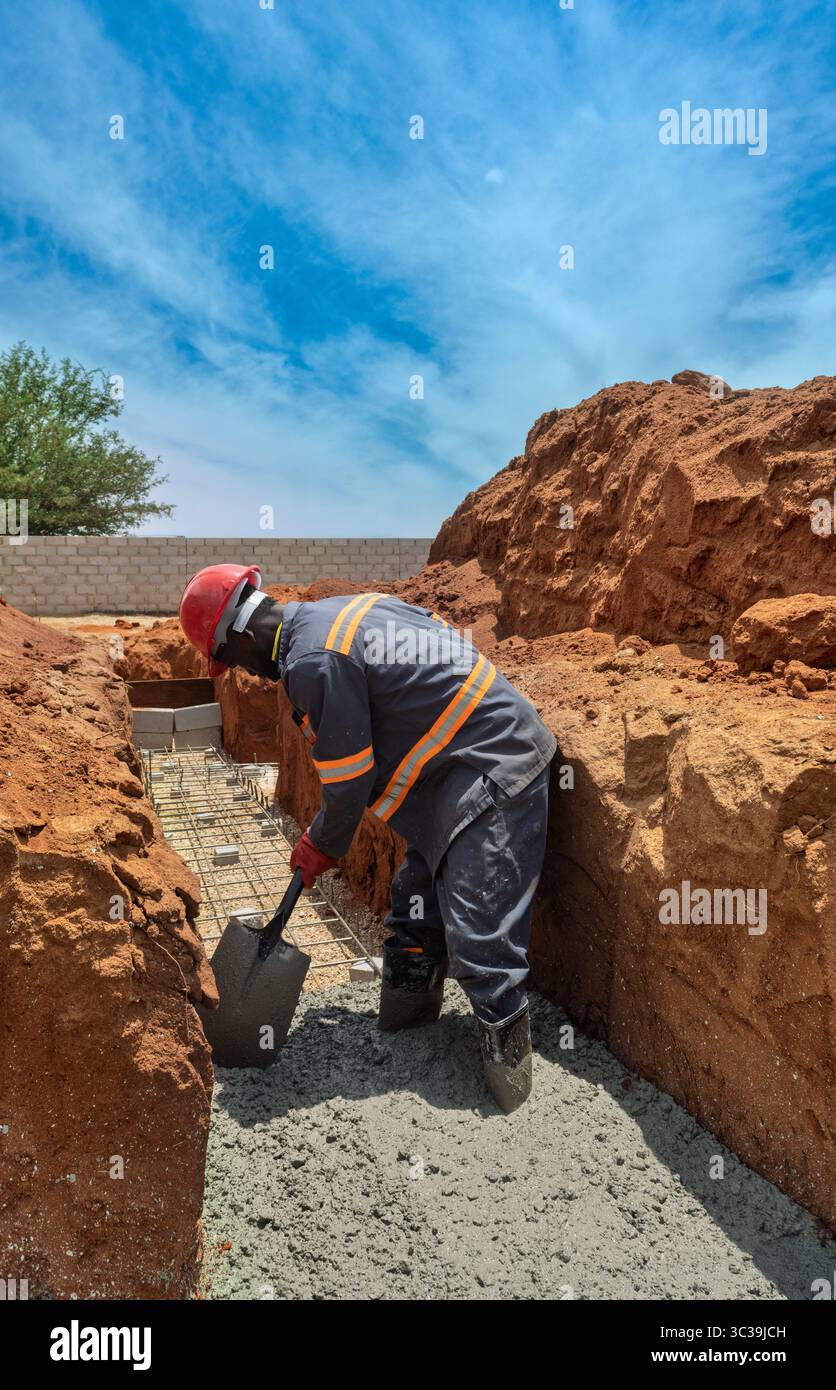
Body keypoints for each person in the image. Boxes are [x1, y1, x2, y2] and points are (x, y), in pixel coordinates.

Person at [179, 564, 556, 1111]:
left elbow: (350, 780)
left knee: (479, 937)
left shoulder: (311, 660)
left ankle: (512, 1093)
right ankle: (408, 1035)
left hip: (493, 764)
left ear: (239, 633)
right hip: (451, 777)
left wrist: (319, 844)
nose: (251, 676)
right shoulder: (330, 619)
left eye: (234, 659)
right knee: (412, 909)